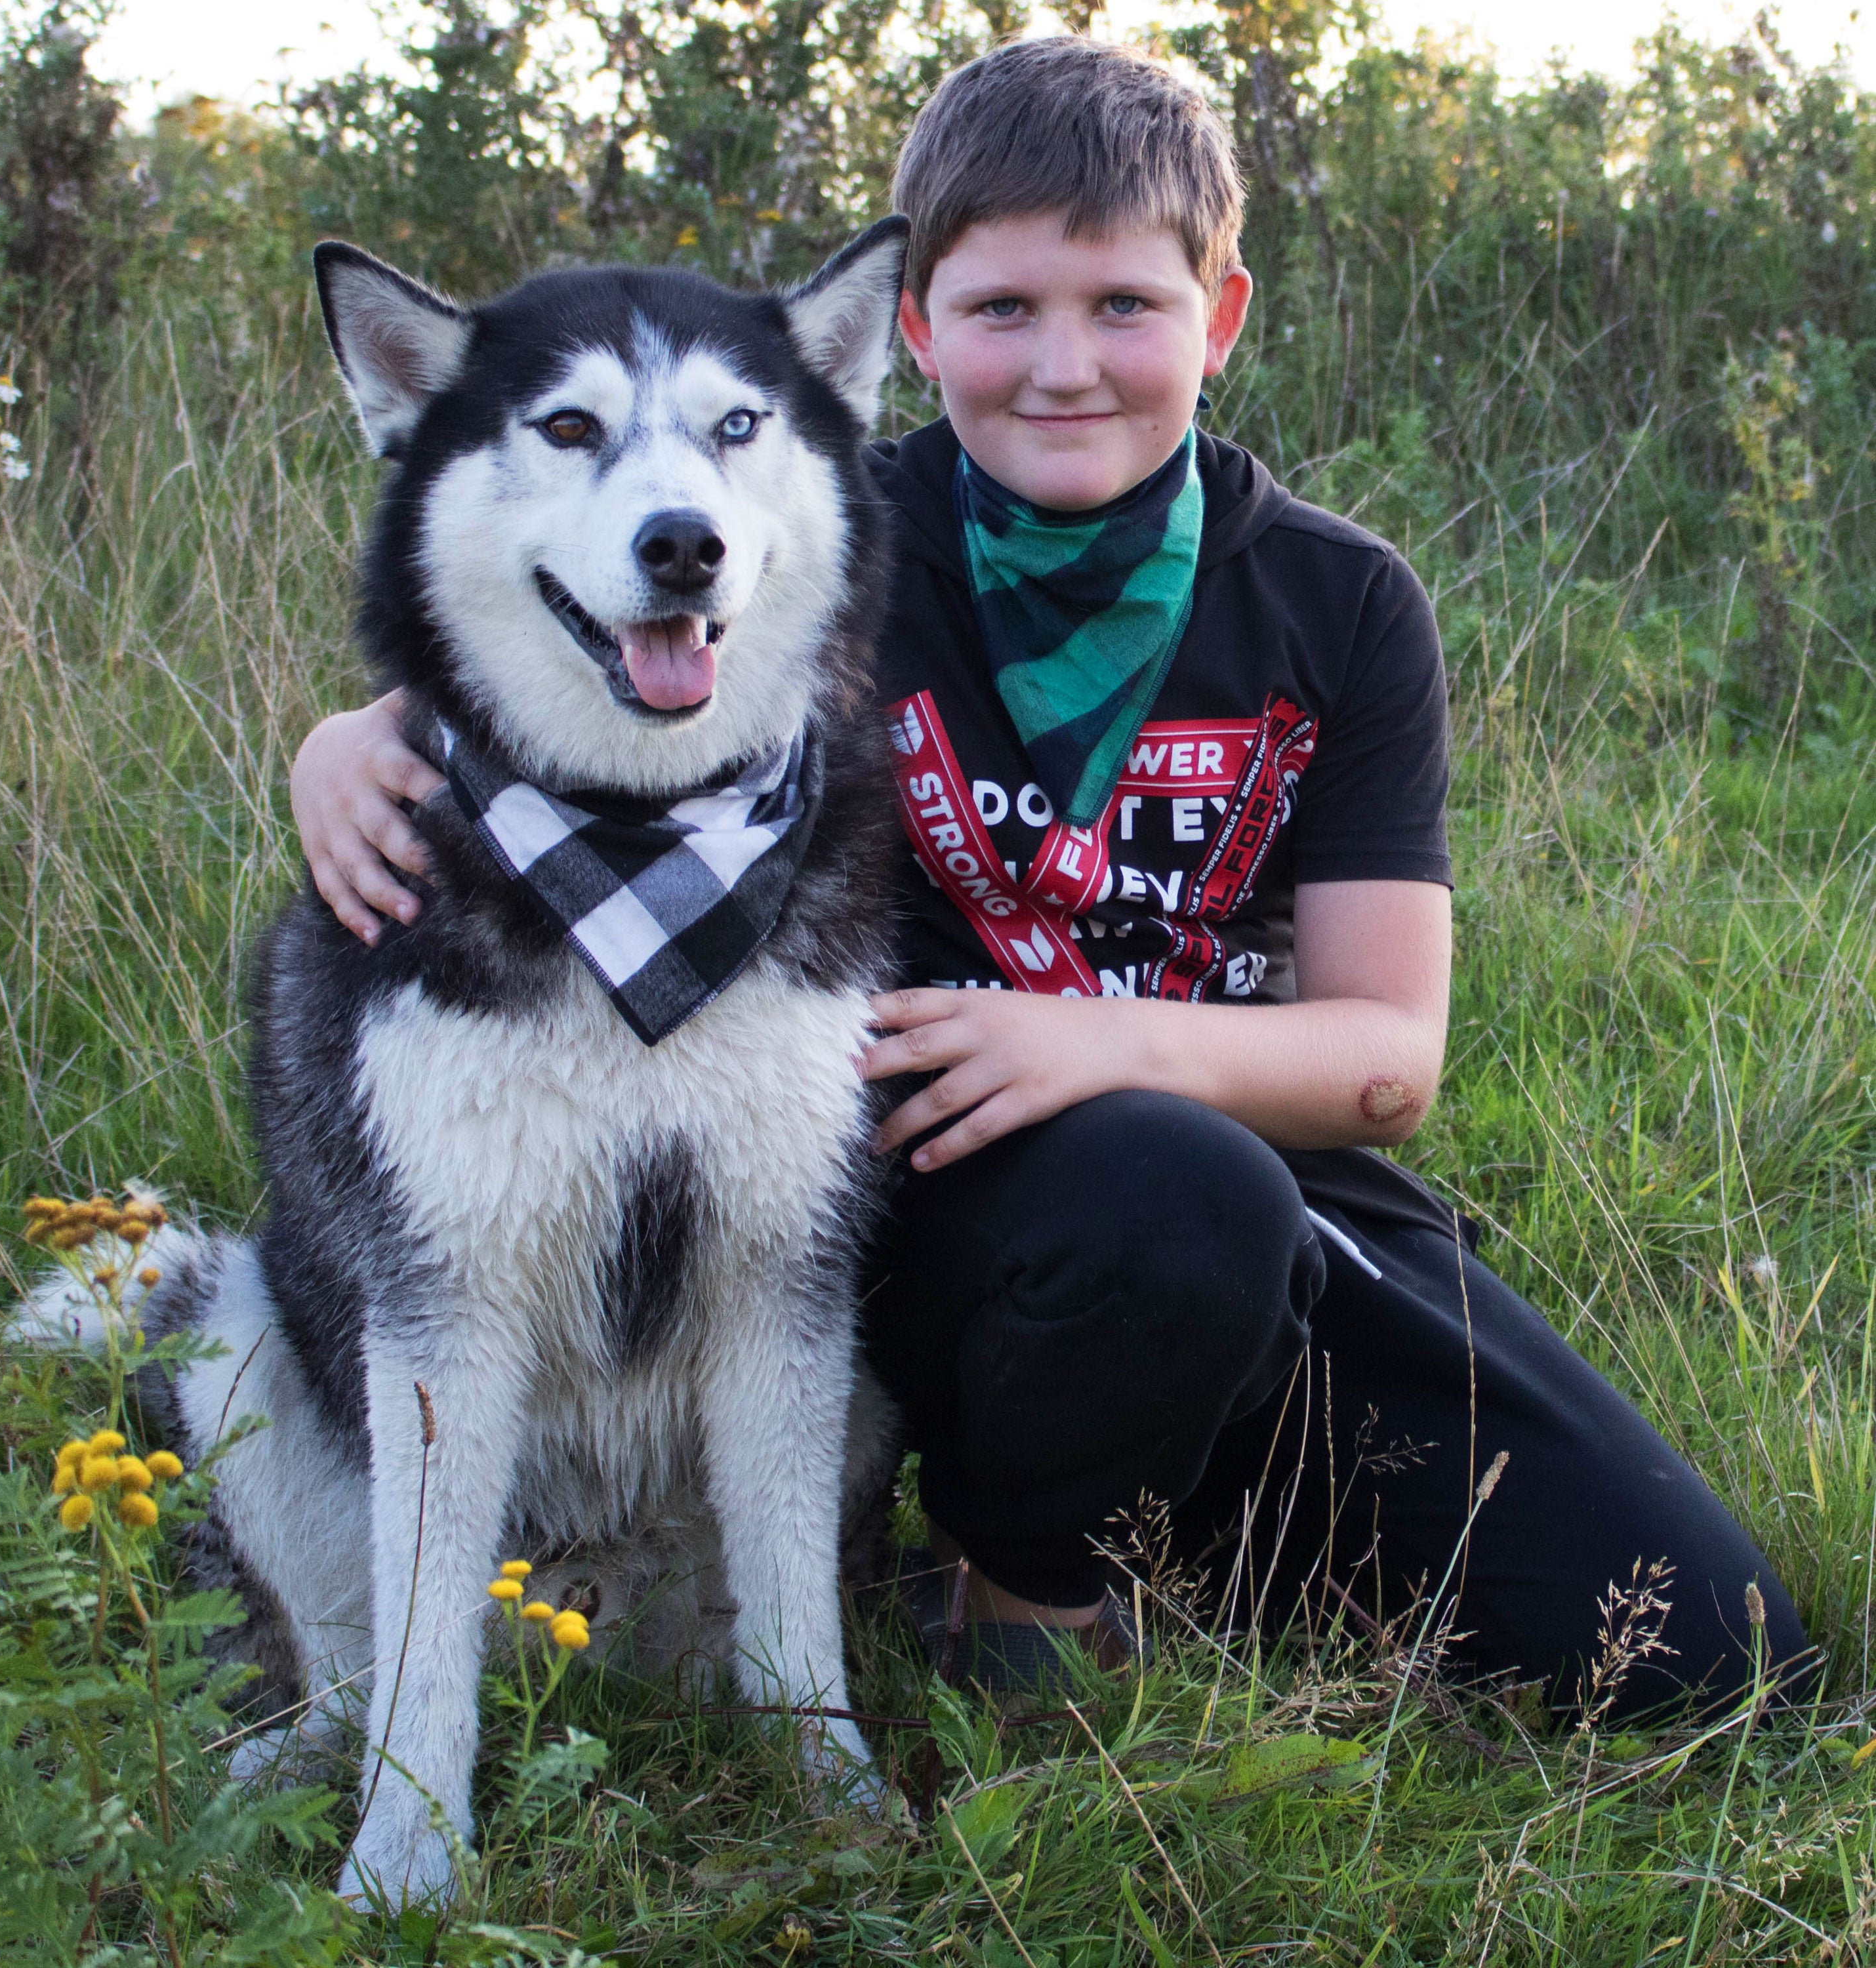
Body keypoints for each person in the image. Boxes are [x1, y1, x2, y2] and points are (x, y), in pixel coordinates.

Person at [286, 37, 1807, 1717]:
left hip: (1240, 1178)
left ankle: (1188, 1511)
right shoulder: (820, 527)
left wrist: (1101, 1037)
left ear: (1219, 318)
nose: (1065, 366)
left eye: (1126, 307)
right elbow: (574, 634)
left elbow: (1386, 1058)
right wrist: (357, 738)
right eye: (1004, 309)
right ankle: (1017, 1594)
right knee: (1168, 1204)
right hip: (899, 1210)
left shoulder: (1337, 604)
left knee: (1719, 1657)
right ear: (914, 331)